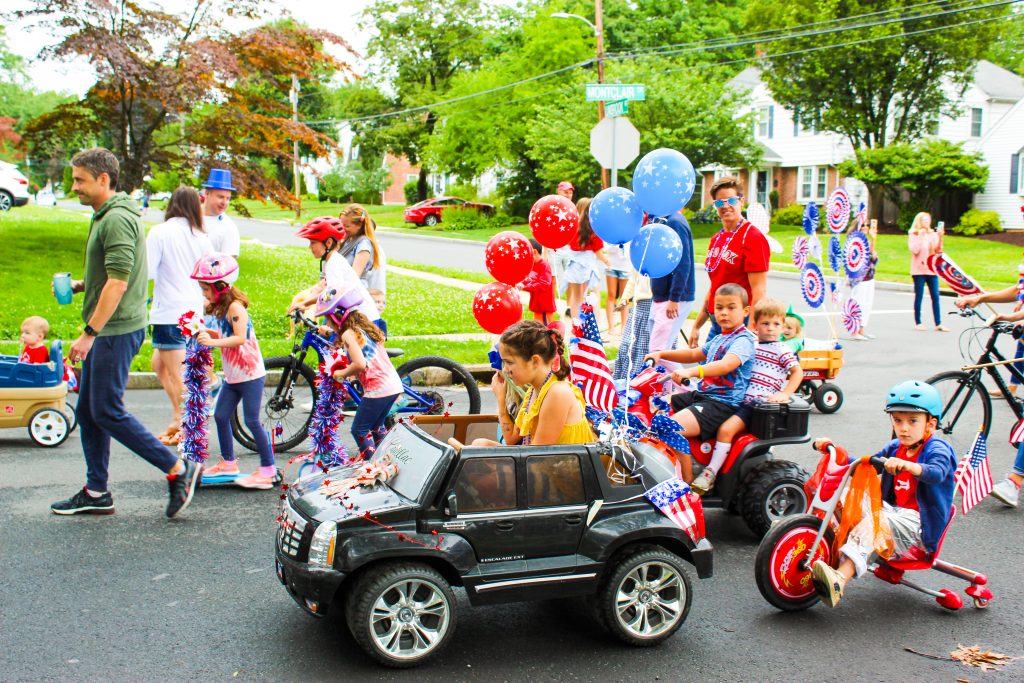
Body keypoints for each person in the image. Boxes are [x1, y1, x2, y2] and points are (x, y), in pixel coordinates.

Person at [51, 148, 198, 518]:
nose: (75, 187)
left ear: (104, 179)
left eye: (80, 180)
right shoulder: (108, 214)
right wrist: (85, 285)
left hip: (113, 330)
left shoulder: (115, 218)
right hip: (113, 326)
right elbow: (120, 273)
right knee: (88, 411)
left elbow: (117, 284)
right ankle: (96, 491)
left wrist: (89, 333)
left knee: (106, 410)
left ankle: (178, 468)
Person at [811, 381, 957, 607]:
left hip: (917, 529)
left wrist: (910, 467)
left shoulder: (938, 448)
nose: (904, 428)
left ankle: (839, 579)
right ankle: (815, 544)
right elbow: (866, 465)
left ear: (931, 423)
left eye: (912, 421)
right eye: (898, 420)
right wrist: (834, 450)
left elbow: (936, 473)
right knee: (844, 495)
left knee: (876, 522)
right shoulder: (895, 447)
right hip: (892, 514)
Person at [688, 298, 803, 494]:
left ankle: (710, 473)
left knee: (725, 430)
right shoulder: (751, 345)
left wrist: (784, 393)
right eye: (765, 323)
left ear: (783, 326)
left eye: (776, 324)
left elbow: (797, 372)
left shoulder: (782, 350)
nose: (770, 329)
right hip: (738, 399)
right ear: (755, 325)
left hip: (755, 406)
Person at [646, 284, 756, 483]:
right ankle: (661, 466)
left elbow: (726, 365)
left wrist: (692, 371)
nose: (724, 313)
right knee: (654, 405)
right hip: (704, 396)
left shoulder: (743, 340)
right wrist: (661, 353)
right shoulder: (720, 337)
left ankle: (685, 486)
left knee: (669, 427)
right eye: (719, 308)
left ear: (746, 311)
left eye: (731, 308)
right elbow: (695, 354)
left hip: (722, 404)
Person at [186, 254, 276, 488]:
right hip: (234, 375)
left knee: (252, 421)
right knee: (221, 415)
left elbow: (239, 338)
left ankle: (268, 470)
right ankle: (228, 463)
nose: (204, 294)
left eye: (206, 289)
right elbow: (224, 335)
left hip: (250, 375)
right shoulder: (222, 307)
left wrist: (212, 343)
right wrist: (201, 332)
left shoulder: (235, 307)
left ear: (220, 286)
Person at [146, 186, 214, 445]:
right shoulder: (201, 236)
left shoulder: (160, 233)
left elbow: (149, 271)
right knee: (159, 365)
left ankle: (190, 428)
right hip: (193, 312)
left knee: (178, 374)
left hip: (168, 313)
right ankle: (179, 417)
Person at [474, 320, 595, 447]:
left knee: (478, 450)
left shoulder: (558, 392)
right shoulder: (533, 391)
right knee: (480, 444)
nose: (505, 370)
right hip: (544, 461)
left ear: (535, 361)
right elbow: (510, 439)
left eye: (509, 362)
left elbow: (538, 456)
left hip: (563, 465)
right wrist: (501, 399)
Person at [318, 287, 403, 460]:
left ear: (336, 318)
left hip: (378, 388)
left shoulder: (349, 334)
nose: (328, 324)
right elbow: (368, 361)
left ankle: (372, 467)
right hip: (392, 384)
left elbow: (360, 363)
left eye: (328, 320)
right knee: (376, 426)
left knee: (359, 430)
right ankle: (389, 460)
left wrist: (341, 374)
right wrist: (351, 374)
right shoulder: (361, 328)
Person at [690, 176, 769, 348]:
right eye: (719, 203)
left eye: (731, 200)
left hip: (739, 323)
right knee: (707, 371)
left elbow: (759, 291)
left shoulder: (752, 237)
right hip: (717, 321)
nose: (725, 206)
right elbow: (715, 286)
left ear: (741, 201)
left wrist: (750, 330)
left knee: (725, 373)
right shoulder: (716, 239)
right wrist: (697, 325)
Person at [290, 216, 383, 329]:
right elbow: (325, 291)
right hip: (355, 319)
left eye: (313, 242)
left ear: (328, 243)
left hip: (364, 321)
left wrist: (305, 304)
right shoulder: (333, 261)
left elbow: (331, 296)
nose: (310, 247)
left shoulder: (333, 263)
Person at [648, 211, 696, 365]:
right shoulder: (659, 220)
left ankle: (687, 385)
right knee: (661, 353)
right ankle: (671, 387)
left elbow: (683, 263)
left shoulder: (675, 222)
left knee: (658, 353)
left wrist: (674, 298)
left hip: (672, 299)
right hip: (660, 297)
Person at [564, 198, 609, 321]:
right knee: (594, 295)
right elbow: (599, 252)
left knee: (576, 297)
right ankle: (595, 327)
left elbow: (568, 243)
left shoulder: (572, 227)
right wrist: (607, 261)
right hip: (589, 265)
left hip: (574, 265)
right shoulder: (593, 228)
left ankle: (576, 326)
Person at [908, 212, 948, 332]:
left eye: (928, 219)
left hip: (932, 270)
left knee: (935, 296)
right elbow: (915, 250)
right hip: (918, 270)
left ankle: (938, 323)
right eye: (924, 220)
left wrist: (940, 237)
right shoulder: (913, 234)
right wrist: (920, 236)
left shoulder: (933, 234)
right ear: (919, 221)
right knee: (919, 296)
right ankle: (918, 322)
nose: (926, 222)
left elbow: (938, 250)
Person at [612, 269, 653, 380]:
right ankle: (624, 380)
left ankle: (640, 381)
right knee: (627, 345)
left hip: (655, 307)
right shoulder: (640, 256)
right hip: (639, 307)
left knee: (644, 347)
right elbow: (633, 279)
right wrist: (625, 298)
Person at [339, 204, 386, 293]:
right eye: (341, 225)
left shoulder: (363, 245)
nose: (343, 229)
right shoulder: (348, 239)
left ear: (359, 225)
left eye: (347, 226)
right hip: (341, 289)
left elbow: (354, 277)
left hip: (352, 294)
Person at [848, 219, 879, 340]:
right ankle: (854, 331)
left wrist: (873, 239)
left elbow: (873, 258)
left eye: (867, 225)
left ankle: (862, 330)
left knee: (867, 304)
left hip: (869, 276)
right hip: (859, 278)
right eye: (863, 225)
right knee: (858, 304)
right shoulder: (854, 241)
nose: (866, 227)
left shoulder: (866, 241)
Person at [201, 169, 240, 257]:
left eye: (228, 198)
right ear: (207, 194)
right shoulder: (189, 216)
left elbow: (229, 265)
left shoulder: (229, 228)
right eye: (220, 197)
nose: (224, 202)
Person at [519, 238, 557, 326]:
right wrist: (520, 283)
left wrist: (525, 287)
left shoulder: (544, 265)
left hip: (544, 307)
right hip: (537, 305)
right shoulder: (533, 265)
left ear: (535, 252)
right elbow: (529, 279)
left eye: (527, 255)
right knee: (538, 327)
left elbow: (544, 284)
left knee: (546, 328)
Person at [550, 180, 575, 300]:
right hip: (554, 248)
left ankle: (569, 306)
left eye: (570, 192)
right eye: (565, 192)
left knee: (571, 279)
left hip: (569, 248)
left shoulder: (573, 209)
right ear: (559, 192)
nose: (568, 195)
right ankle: (552, 304)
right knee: (552, 278)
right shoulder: (552, 207)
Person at [603, 242, 631, 333]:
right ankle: (611, 327)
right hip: (611, 265)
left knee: (624, 297)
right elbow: (605, 247)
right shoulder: (612, 231)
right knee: (611, 295)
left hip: (626, 266)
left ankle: (624, 327)